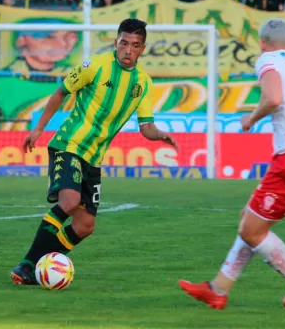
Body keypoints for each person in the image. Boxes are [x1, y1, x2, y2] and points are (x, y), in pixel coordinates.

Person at [178, 18, 285, 309]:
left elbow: (273, 98)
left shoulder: (268, 60)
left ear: (263, 43)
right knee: (250, 219)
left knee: (251, 230)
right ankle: (218, 289)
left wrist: (251, 118)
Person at [11, 18, 178, 284]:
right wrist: (39, 130)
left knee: (84, 226)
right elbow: (60, 93)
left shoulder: (143, 84)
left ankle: (44, 264)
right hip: (69, 145)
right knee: (68, 201)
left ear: (142, 49)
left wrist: (161, 135)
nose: (128, 50)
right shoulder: (95, 66)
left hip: (93, 158)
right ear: (116, 42)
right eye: (124, 43)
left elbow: (146, 127)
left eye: (135, 45)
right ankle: (27, 264)